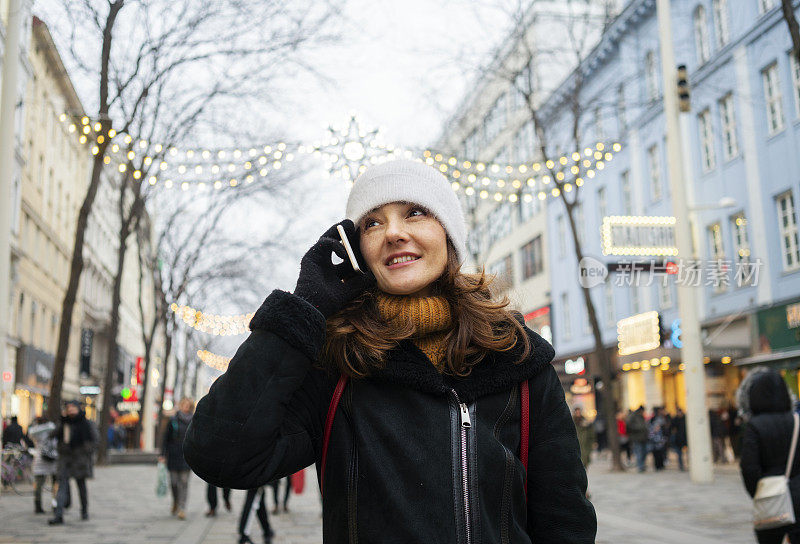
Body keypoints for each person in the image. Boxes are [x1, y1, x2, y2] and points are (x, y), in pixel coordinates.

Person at [183, 159, 597, 542]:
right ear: (358, 250)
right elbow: (221, 454)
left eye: (415, 212)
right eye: (372, 223)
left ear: (449, 236)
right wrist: (301, 312)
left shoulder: (518, 357)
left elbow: (565, 520)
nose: (394, 232)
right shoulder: (338, 365)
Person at [738, 368, 800, 544]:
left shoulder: (755, 426)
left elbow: (749, 467)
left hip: (771, 499)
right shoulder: (796, 420)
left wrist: (758, 492)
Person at [49, 400, 98, 525]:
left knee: (81, 486)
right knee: (62, 487)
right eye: (68, 408)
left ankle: (84, 510)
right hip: (65, 459)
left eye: (72, 408)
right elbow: (52, 435)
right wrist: (62, 421)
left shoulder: (86, 423)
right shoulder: (64, 422)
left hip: (80, 460)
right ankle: (59, 515)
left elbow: (95, 440)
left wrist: (86, 452)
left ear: (78, 409)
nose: (70, 410)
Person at [160, 397, 194, 520]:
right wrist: (163, 455)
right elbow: (166, 439)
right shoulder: (173, 420)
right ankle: (175, 501)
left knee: (184, 482)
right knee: (174, 482)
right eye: (184, 404)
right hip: (173, 455)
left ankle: (182, 508)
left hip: (187, 456)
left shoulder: (194, 420)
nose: (185, 407)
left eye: (187, 405)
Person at [28, 416, 58, 514]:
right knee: (55, 485)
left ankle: (38, 506)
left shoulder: (35, 432)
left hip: (39, 460)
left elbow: (30, 439)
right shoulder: (53, 429)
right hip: (54, 459)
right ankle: (55, 504)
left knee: (38, 485)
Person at [627, 406, 648, 472]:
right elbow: (628, 425)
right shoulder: (633, 416)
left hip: (643, 437)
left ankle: (642, 465)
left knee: (644, 452)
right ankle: (640, 466)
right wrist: (638, 428)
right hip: (637, 437)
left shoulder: (641, 416)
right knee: (639, 452)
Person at [648, 407, 668, 471]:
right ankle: (657, 466)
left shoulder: (661, 418)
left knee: (661, 454)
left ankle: (661, 465)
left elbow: (665, 429)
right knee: (656, 454)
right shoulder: (652, 419)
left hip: (660, 440)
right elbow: (650, 433)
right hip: (654, 441)